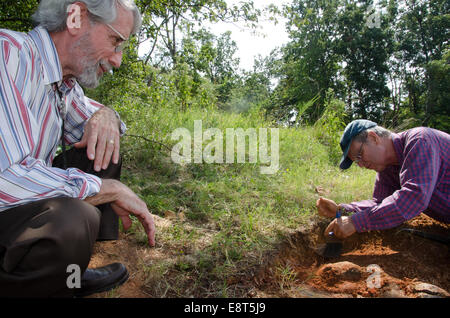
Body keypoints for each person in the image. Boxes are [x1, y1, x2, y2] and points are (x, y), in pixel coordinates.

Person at [0, 0, 155, 297]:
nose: (118, 60)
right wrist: (107, 188)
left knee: (103, 147)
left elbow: (97, 125)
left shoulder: (64, 85)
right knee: (74, 217)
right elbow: (5, 177)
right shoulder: (8, 54)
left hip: (13, 210)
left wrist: (106, 115)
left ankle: (68, 271)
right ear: (76, 16)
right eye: (115, 41)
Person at [316, 119, 449, 240]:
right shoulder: (387, 168)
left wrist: (356, 222)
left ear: (374, 138)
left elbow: (414, 197)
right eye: (356, 162)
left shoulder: (420, 140)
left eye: (359, 155)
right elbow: (379, 203)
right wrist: (341, 210)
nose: (361, 165)